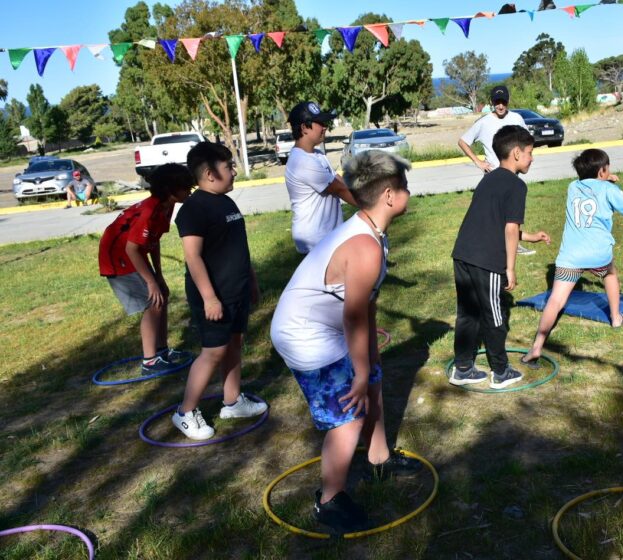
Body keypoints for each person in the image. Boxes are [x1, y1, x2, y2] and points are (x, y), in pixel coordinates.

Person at [271, 150, 421, 534]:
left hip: (328, 327)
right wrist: (357, 372)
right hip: (304, 334)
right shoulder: (365, 246)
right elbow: (353, 316)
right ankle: (329, 500)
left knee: (372, 381)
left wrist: (369, 364)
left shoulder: (372, 231)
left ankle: (379, 459)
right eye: (405, 187)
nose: (409, 193)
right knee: (347, 414)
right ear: (389, 195)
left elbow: (365, 307)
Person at [522, 149, 623, 365]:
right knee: (610, 275)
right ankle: (616, 318)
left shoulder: (573, 187)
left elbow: (590, 182)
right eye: (608, 169)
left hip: (571, 256)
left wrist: (607, 178)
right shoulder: (609, 189)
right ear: (602, 171)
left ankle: (536, 346)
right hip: (598, 255)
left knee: (556, 300)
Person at [171, 142, 267, 440]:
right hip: (213, 295)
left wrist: (250, 278)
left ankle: (232, 401)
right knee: (213, 352)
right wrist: (209, 297)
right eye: (229, 166)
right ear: (210, 174)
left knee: (234, 343)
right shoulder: (193, 209)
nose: (234, 170)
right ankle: (185, 412)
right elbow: (193, 256)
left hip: (236, 289)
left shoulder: (227, 202)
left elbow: (239, 246)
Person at [450, 125, 551, 389]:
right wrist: (510, 268)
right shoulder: (517, 186)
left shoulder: (490, 178)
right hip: (487, 260)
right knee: (494, 315)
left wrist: (531, 237)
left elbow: (501, 224)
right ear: (516, 153)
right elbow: (508, 229)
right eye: (530, 153)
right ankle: (501, 371)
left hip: (463, 254)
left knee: (467, 314)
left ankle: (462, 369)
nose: (532, 158)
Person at [98, 163, 195, 373]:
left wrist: (159, 276)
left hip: (133, 254)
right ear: (171, 190)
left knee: (162, 296)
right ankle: (150, 361)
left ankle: (161, 351)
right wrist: (151, 282)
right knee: (153, 303)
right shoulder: (149, 211)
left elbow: (154, 240)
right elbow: (132, 248)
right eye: (186, 187)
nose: (190, 191)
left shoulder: (166, 207)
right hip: (118, 258)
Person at [458, 85, 536, 256]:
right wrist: (478, 161)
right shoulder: (484, 121)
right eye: (496, 102)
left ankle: (514, 243)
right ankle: (499, 242)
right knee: (496, 211)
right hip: (493, 174)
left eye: (503, 102)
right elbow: (463, 141)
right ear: (492, 103)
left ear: (508, 101)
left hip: (513, 172)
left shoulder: (517, 118)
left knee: (513, 208)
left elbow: (527, 141)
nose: (500, 106)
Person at [285, 101, 358, 254]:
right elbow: (339, 189)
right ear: (304, 128)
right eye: (319, 123)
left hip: (326, 237)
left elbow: (339, 180)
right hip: (315, 241)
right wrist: (372, 207)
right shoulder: (302, 161)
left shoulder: (316, 155)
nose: (325, 127)